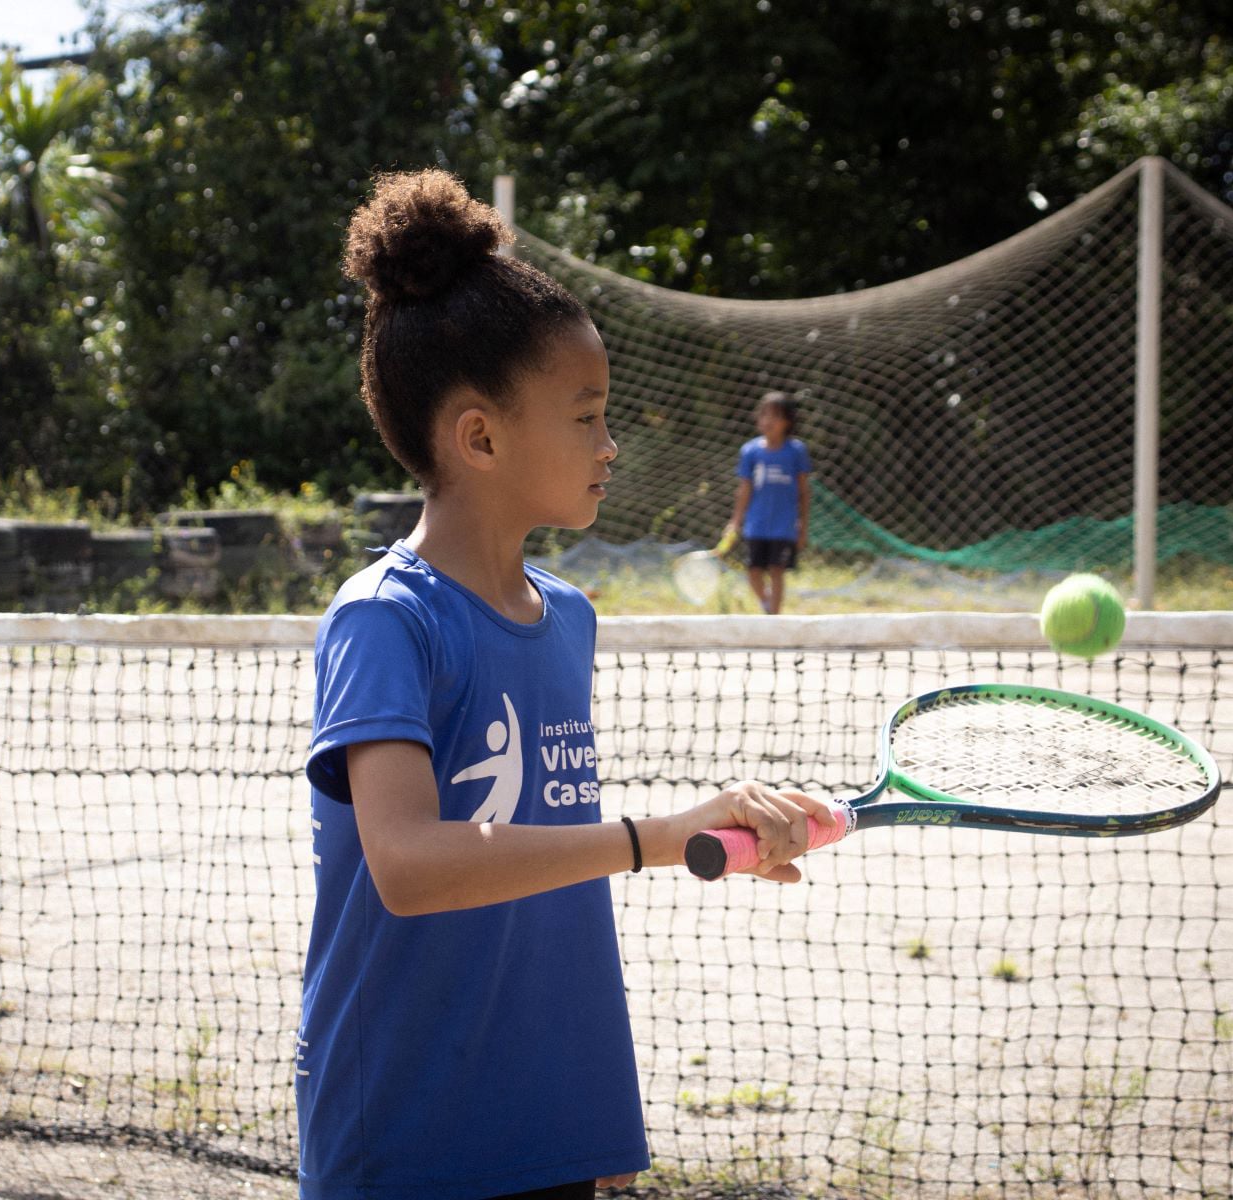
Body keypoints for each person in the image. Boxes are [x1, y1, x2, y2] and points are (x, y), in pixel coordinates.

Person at [298, 169, 836, 1200]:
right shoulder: (384, 618)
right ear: (481, 437)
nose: (610, 443)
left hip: (555, 1129)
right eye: (586, 416)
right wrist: (660, 837)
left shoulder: (572, 619)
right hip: (407, 1147)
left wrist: (600, 1138)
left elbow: (555, 892)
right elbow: (409, 864)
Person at [725, 392, 812, 614]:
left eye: (775, 416)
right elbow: (744, 489)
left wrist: (803, 525)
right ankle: (767, 606)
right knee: (753, 571)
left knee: (776, 570)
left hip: (784, 526)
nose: (768, 421)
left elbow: (804, 491)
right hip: (756, 524)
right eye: (764, 415)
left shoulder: (796, 451)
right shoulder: (750, 451)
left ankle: (775, 617)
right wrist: (736, 521)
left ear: (788, 421)